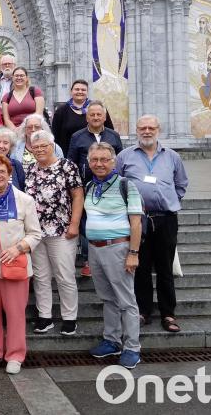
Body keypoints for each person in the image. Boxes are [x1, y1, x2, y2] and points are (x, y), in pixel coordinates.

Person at [117, 115, 188, 333]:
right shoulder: (125, 156)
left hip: (166, 218)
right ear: (136, 130)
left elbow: (181, 184)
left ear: (158, 129)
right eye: (142, 128)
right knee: (141, 267)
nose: (146, 131)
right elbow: (117, 184)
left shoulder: (172, 156)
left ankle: (168, 313)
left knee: (165, 268)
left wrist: (167, 201)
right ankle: (143, 311)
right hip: (138, 220)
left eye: (151, 128)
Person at [0, 155, 42, 374]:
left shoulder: (25, 200)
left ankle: (15, 354)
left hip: (15, 265)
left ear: (9, 173)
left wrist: (19, 248)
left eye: (2, 171)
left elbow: (35, 234)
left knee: (15, 313)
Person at [84, 142, 143, 369]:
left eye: (104, 160)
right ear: (89, 163)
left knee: (126, 300)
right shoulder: (89, 185)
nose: (99, 164)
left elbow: (136, 224)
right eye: (95, 160)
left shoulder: (126, 186)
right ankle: (112, 340)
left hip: (118, 248)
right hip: (95, 249)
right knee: (107, 298)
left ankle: (132, 347)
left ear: (113, 161)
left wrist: (133, 253)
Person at [24, 131, 83, 335]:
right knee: (41, 276)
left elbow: (77, 195)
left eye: (44, 146)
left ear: (52, 145)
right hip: (36, 232)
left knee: (64, 275)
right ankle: (45, 317)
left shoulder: (67, 166)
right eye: (36, 147)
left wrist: (74, 224)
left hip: (62, 230)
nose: (40, 150)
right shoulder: (30, 169)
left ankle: (69, 318)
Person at [67, 100, 123, 184]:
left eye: (99, 115)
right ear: (87, 118)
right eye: (92, 115)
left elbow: (120, 161)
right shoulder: (77, 137)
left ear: (105, 117)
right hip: (85, 185)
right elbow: (71, 164)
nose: (96, 118)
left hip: (111, 185)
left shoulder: (114, 136)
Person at [51, 80, 114, 153]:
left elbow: (110, 131)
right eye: (77, 89)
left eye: (83, 90)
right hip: (68, 153)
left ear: (87, 92)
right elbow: (55, 135)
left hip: (96, 154)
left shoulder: (98, 108)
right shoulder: (61, 111)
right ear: (71, 91)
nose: (80, 92)